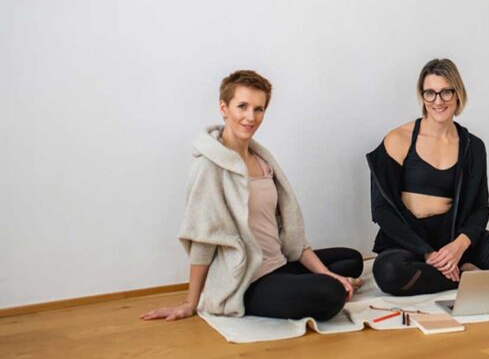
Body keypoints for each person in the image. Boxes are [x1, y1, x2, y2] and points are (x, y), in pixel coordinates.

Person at [141, 70, 363, 322]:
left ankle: (309, 283)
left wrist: (326, 273)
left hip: (279, 262)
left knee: (351, 259)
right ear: (223, 108)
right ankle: (307, 288)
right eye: (242, 106)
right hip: (249, 280)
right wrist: (190, 303)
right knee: (330, 294)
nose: (250, 117)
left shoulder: (262, 160)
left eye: (259, 109)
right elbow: (203, 239)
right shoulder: (210, 167)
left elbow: (286, 228)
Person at [367, 58, 489, 295]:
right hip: (409, 240)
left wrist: (459, 247)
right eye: (430, 93)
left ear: (458, 94)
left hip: (455, 238)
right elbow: (381, 209)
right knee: (390, 273)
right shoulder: (398, 139)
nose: (438, 101)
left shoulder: (473, 146)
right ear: (422, 96)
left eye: (446, 92)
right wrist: (428, 253)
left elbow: (480, 209)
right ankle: (465, 275)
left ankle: (459, 268)